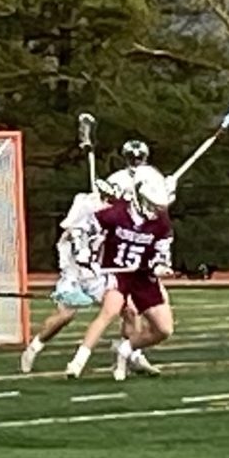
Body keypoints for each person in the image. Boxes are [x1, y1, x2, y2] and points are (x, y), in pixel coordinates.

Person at [22, 179, 162, 377]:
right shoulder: (86, 206)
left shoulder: (120, 214)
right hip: (75, 271)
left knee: (130, 310)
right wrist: (79, 256)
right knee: (65, 315)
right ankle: (35, 347)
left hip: (100, 273)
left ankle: (133, 355)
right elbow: (70, 234)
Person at [65, 172, 176, 380]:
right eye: (151, 205)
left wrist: (160, 265)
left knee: (164, 329)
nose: (155, 211)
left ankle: (126, 349)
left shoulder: (161, 222)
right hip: (117, 273)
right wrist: (83, 252)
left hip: (143, 276)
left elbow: (162, 251)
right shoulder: (116, 214)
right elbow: (80, 229)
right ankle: (78, 361)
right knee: (110, 311)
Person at [103, 139, 177, 278]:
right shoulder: (117, 179)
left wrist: (169, 190)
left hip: (146, 229)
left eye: (139, 157)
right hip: (121, 230)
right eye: (132, 157)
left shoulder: (154, 177)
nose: (136, 161)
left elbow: (161, 205)